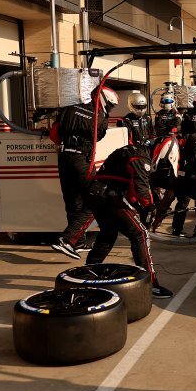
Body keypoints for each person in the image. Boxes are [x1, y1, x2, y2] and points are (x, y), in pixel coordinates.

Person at [84, 137, 174, 299]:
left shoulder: (136, 151)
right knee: (140, 233)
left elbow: (133, 186)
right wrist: (148, 209)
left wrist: (144, 206)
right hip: (107, 196)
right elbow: (141, 190)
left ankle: (88, 272)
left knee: (108, 233)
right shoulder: (140, 157)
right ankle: (150, 284)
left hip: (97, 194)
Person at [50, 85, 117, 260]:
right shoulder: (100, 117)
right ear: (104, 99)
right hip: (82, 159)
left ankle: (77, 242)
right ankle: (67, 240)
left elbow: (54, 134)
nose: (109, 109)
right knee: (97, 198)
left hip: (64, 158)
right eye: (110, 105)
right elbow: (99, 136)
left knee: (73, 200)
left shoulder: (68, 107)